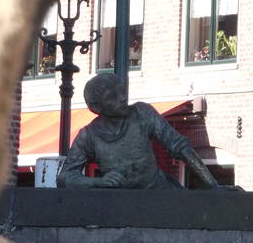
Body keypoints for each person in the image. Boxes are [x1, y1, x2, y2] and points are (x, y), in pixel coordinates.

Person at [57, 73, 220, 190]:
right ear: (96, 107)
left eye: (122, 91)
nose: (122, 98)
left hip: (160, 193)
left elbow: (179, 146)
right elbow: (64, 178)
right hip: (121, 205)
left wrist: (214, 186)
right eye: (112, 96)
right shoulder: (89, 136)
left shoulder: (142, 113)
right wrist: (99, 182)